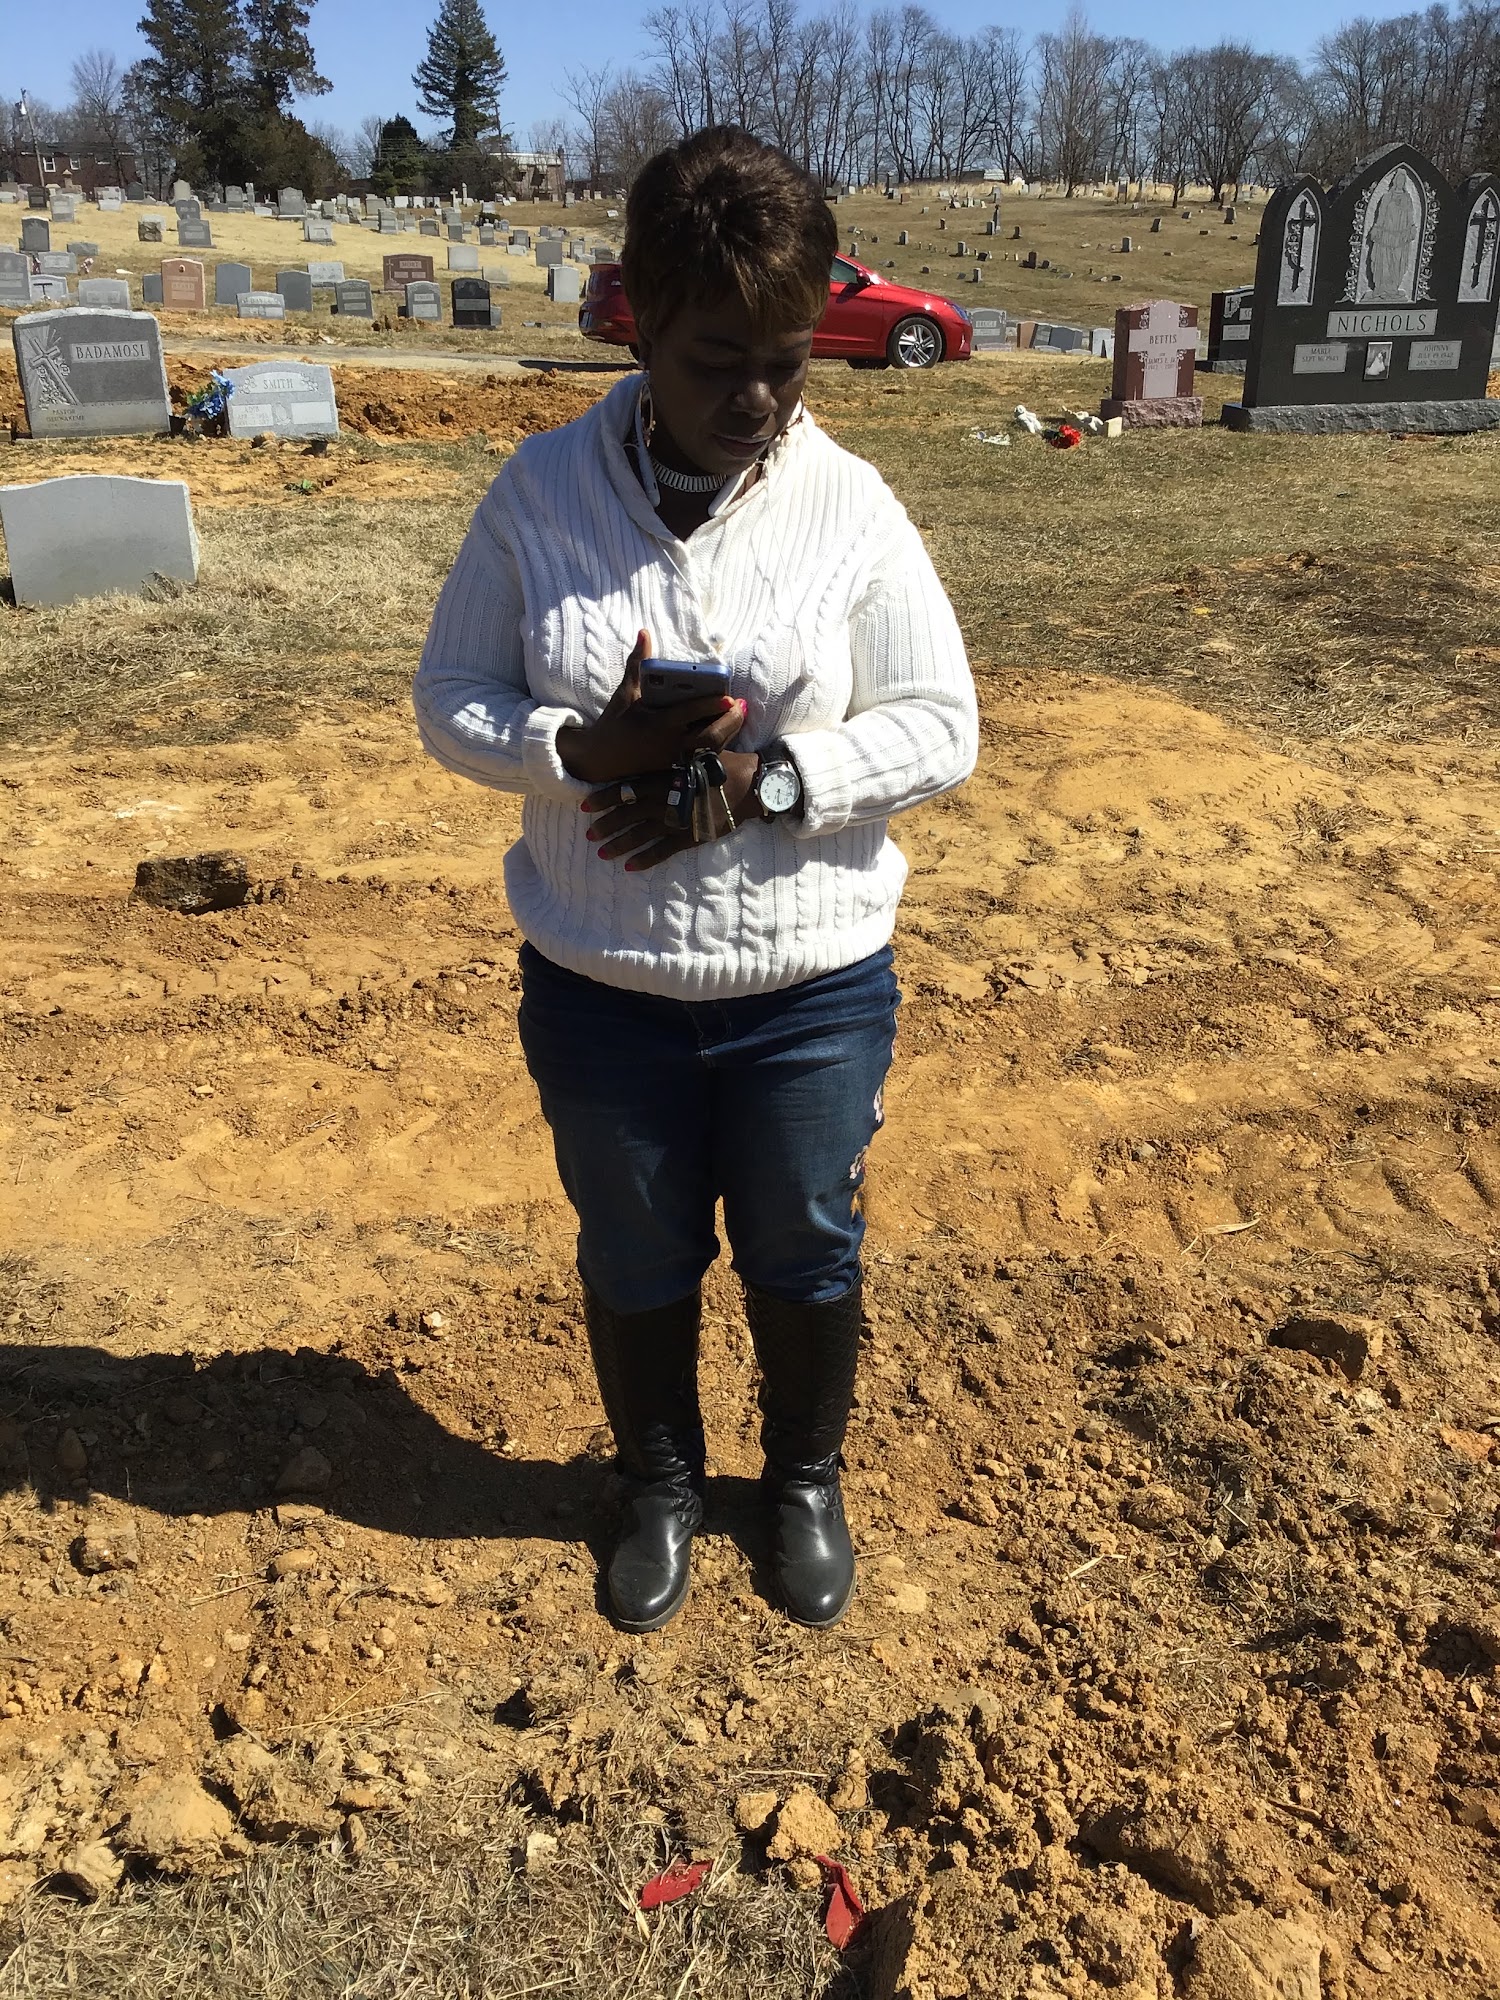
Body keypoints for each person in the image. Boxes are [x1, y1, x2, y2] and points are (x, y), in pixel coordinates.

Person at [412, 125, 977, 1634]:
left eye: (787, 364)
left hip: (809, 989)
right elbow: (450, 697)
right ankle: (659, 1480)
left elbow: (941, 722)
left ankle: (801, 1481)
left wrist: (766, 783)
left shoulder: (848, 504)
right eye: (718, 360)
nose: (758, 401)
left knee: (805, 1243)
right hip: (602, 988)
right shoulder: (540, 494)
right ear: (642, 325)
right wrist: (579, 749)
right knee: (636, 1245)